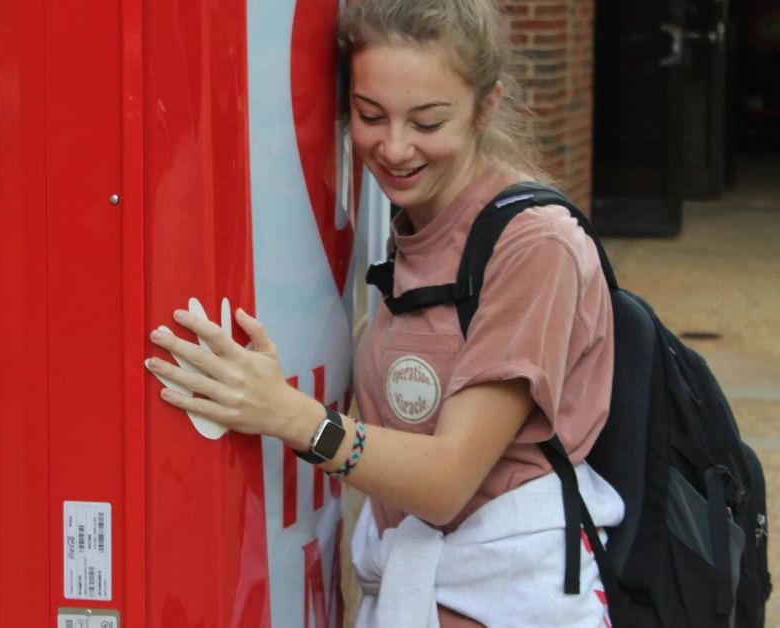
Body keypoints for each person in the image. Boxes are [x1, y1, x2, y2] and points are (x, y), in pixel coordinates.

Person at [145, 0, 624, 625]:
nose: (394, 148)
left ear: (487, 106)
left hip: (505, 591)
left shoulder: (534, 248)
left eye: (427, 122)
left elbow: (447, 480)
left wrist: (289, 415)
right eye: (370, 116)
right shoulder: (415, 229)